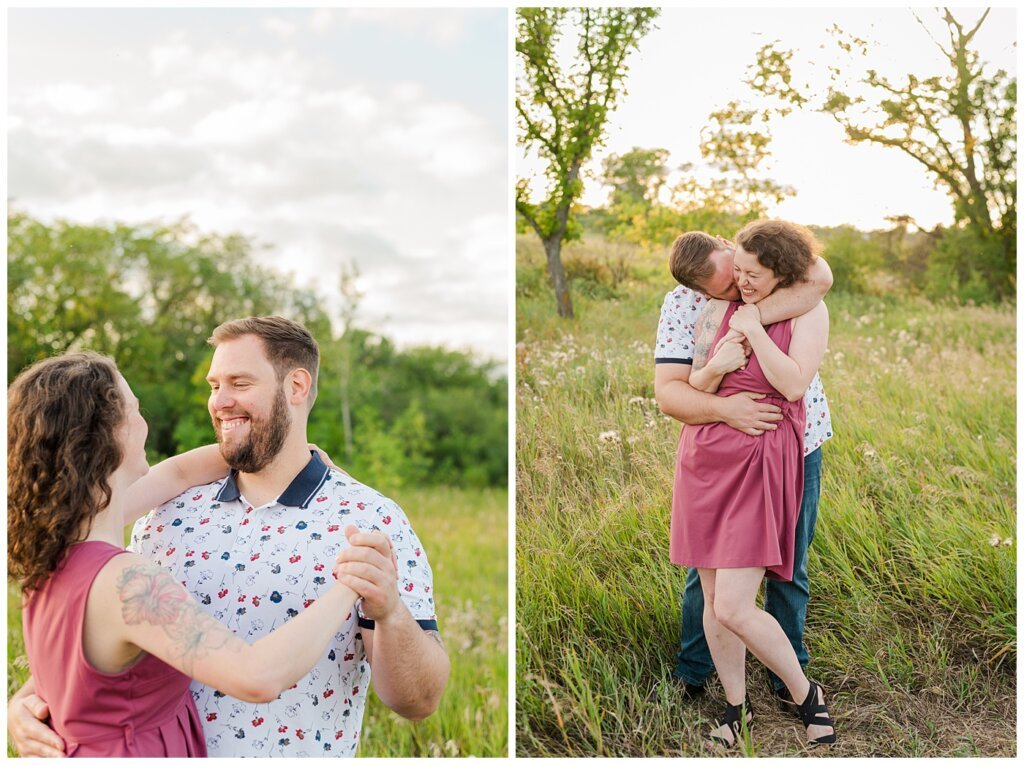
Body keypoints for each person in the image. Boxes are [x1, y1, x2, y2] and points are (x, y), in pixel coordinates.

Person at [9, 316, 450, 757]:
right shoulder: (165, 515)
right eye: (213, 385)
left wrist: (389, 610)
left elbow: (419, 701)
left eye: (238, 383)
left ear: (297, 387)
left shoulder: (368, 520)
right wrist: (29, 696)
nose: (219, 401)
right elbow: (104, 634)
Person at [665, 219, 836, 747]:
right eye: (734, 275)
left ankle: (805, 692)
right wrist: (716, 368)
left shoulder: (807, 304)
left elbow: (790, 383)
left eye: (748, 274)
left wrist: (754, 326)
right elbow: (688, 386)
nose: (740, 283)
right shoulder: (707, 307)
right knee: (715, 595)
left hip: (765, 458)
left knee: (737, 602)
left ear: (780, 271)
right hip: (706, 458)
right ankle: (735, 709)